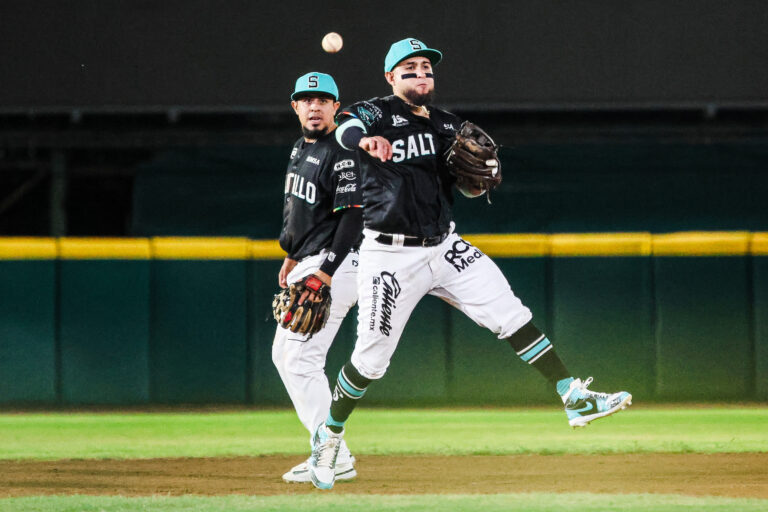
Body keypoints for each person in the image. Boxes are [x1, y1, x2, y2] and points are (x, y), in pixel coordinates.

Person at [306, 39, 632, 490]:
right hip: (389, 253)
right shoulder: (375, 112)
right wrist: (365, 139)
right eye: (410, 69)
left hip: (444, 246)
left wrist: (482, 178)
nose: (421, 74)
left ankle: (572, 395)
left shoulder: (447, 125)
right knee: (371, 357)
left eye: (426, 68)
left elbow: (471, 180)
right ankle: (329, 435)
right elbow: (343, 127)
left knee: (510, 314)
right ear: (390, 78)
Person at [272, 72, 363, 484]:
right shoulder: (299, 146)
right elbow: (301, 208)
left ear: (335, 107)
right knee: (284, 357)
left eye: (322, 99)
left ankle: (333, 454)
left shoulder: (341, 151)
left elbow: (352, 218)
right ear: (295, 107)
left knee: (303, 359)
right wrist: (292, 255)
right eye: (306, 99)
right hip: (307, 259)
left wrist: (324, 271)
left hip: (336, 264)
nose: (314, 106)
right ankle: (328, 449)